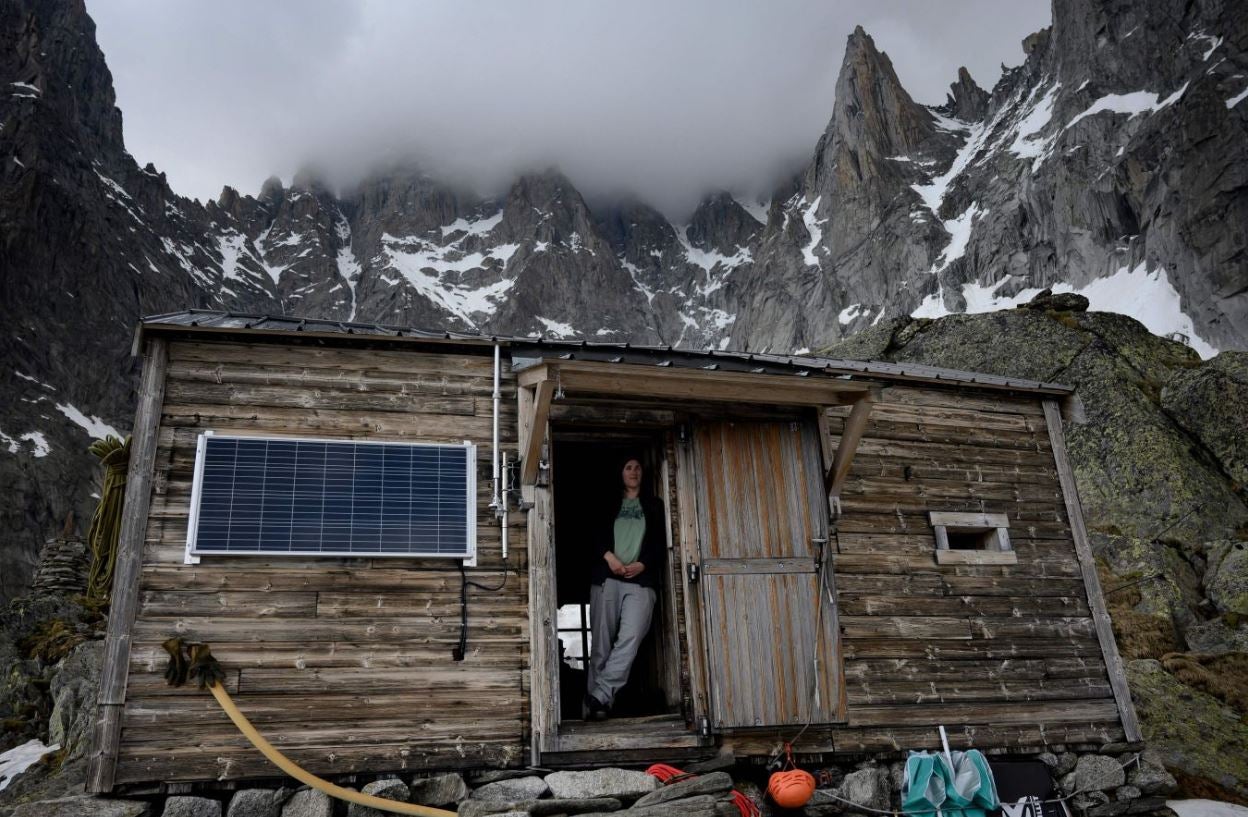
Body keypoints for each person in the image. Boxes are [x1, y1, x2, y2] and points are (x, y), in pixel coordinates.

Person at [584, 454, 665, 720]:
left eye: (638, 467)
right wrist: (609, 557)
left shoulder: (654, 505)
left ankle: (600, 694)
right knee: (601, 645)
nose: (634, 471)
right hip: (608, 579)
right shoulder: (607, 503)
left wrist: (643, 564)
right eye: (628, 467)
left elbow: (660, 542)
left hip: (640, 582)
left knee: (629, 640)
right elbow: (593, 533)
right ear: (620, 472)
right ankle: (597, 708)